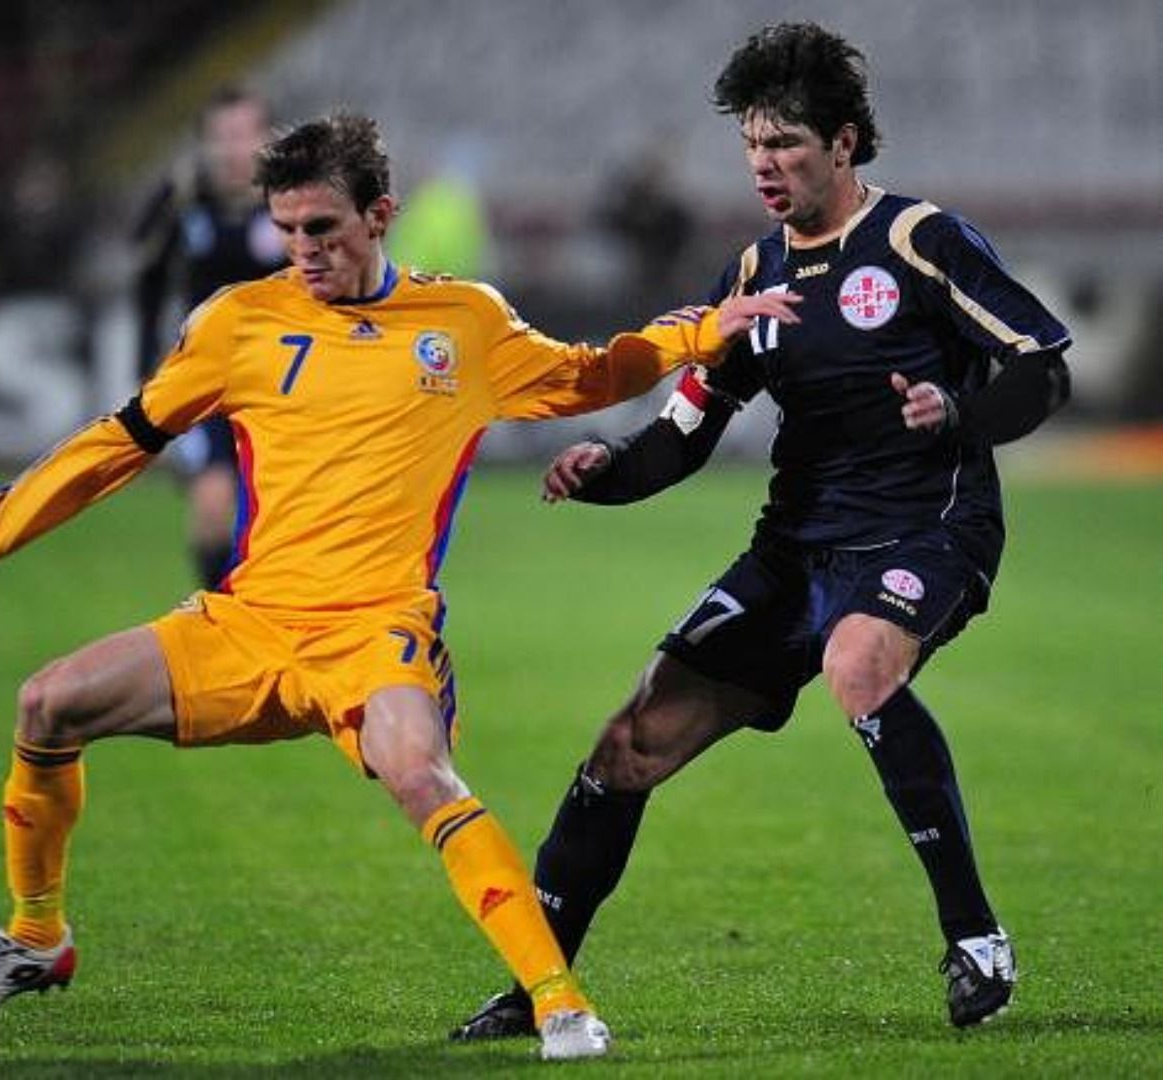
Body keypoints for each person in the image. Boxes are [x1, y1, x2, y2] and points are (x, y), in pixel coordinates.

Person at [0, 112, 800, 1060]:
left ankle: (561, 1005)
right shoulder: (235, 324)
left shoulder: (463, 322)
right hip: (248, 621)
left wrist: (700, 334)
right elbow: (117, 444)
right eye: (287, 230)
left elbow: (586, 376)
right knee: (47, 703)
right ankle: (38, 937)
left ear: (380, 215)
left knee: (420, 771)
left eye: (323, 229)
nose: (302, 251)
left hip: (376, 630)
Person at [452, 22, 1071, 1042]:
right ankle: (538, 990)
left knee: (860, 665)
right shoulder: (754, 272)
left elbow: (1041, 365)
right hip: (795, 550)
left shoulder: (921, 240)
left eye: (785, 145)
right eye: (752, 148)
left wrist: (960, 415)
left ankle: (975, 939)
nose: (765, 166)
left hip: (926, 526)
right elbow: (689, 430)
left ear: (844, 142)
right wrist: (607, 473)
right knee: (625, 747)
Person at [135, 85, 285, 587]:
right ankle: (216, 619)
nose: (234, 148)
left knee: (278, 519)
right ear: (204, 143)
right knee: (213, 501)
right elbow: (149, 279)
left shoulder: (292, 200)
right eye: (222, 136)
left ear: (266, 139)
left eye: (244, 134)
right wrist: (145, 365)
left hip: (284, 382)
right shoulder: (181, 199)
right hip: (208, 380)